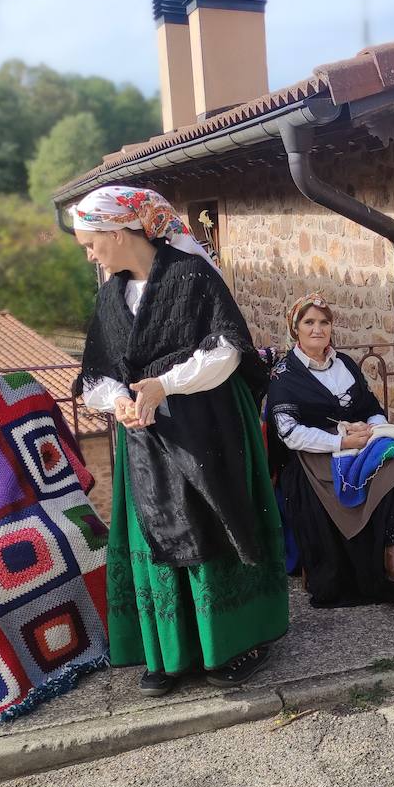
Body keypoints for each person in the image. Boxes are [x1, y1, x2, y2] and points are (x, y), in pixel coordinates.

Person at [71, 185, 288, 697]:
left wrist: (164, 385)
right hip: (145, 438)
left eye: (90, 244)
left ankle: (233, 644)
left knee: (213, 521)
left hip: (208, 425)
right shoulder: (110, 297)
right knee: (156, 531)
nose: (90, 255)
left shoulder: (192, 276)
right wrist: (118, 401)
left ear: (117, 232)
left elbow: (227, 350)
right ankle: (171, 653)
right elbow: (98, 372)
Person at [266, 293, 394, 609]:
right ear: (296, 328)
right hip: (312, 458)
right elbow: (290, 433)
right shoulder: (284, 375)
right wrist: (340, 442)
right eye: (309, 322)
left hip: (357, 445)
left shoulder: (346, 365)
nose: (318, 329)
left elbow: (371, 408)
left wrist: (373, 431)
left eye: (324, 322)